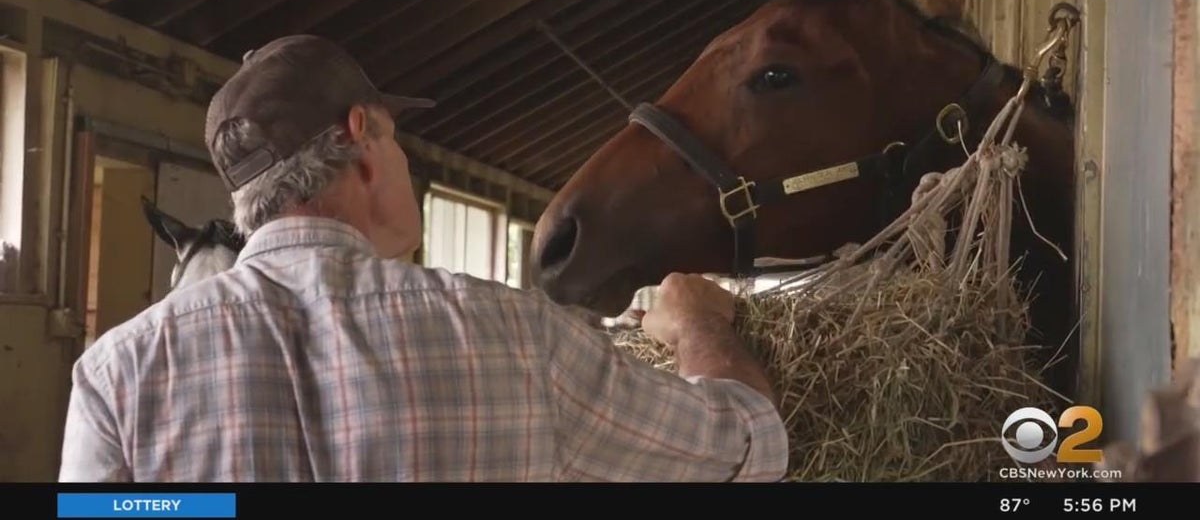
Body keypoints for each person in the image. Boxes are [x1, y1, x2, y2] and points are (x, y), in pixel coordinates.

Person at [58, 35, 788, 482]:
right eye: (397, 139)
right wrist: (700, 326)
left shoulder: (117, 375)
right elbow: (747, 448)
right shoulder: (513, 338)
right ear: (363, 140)